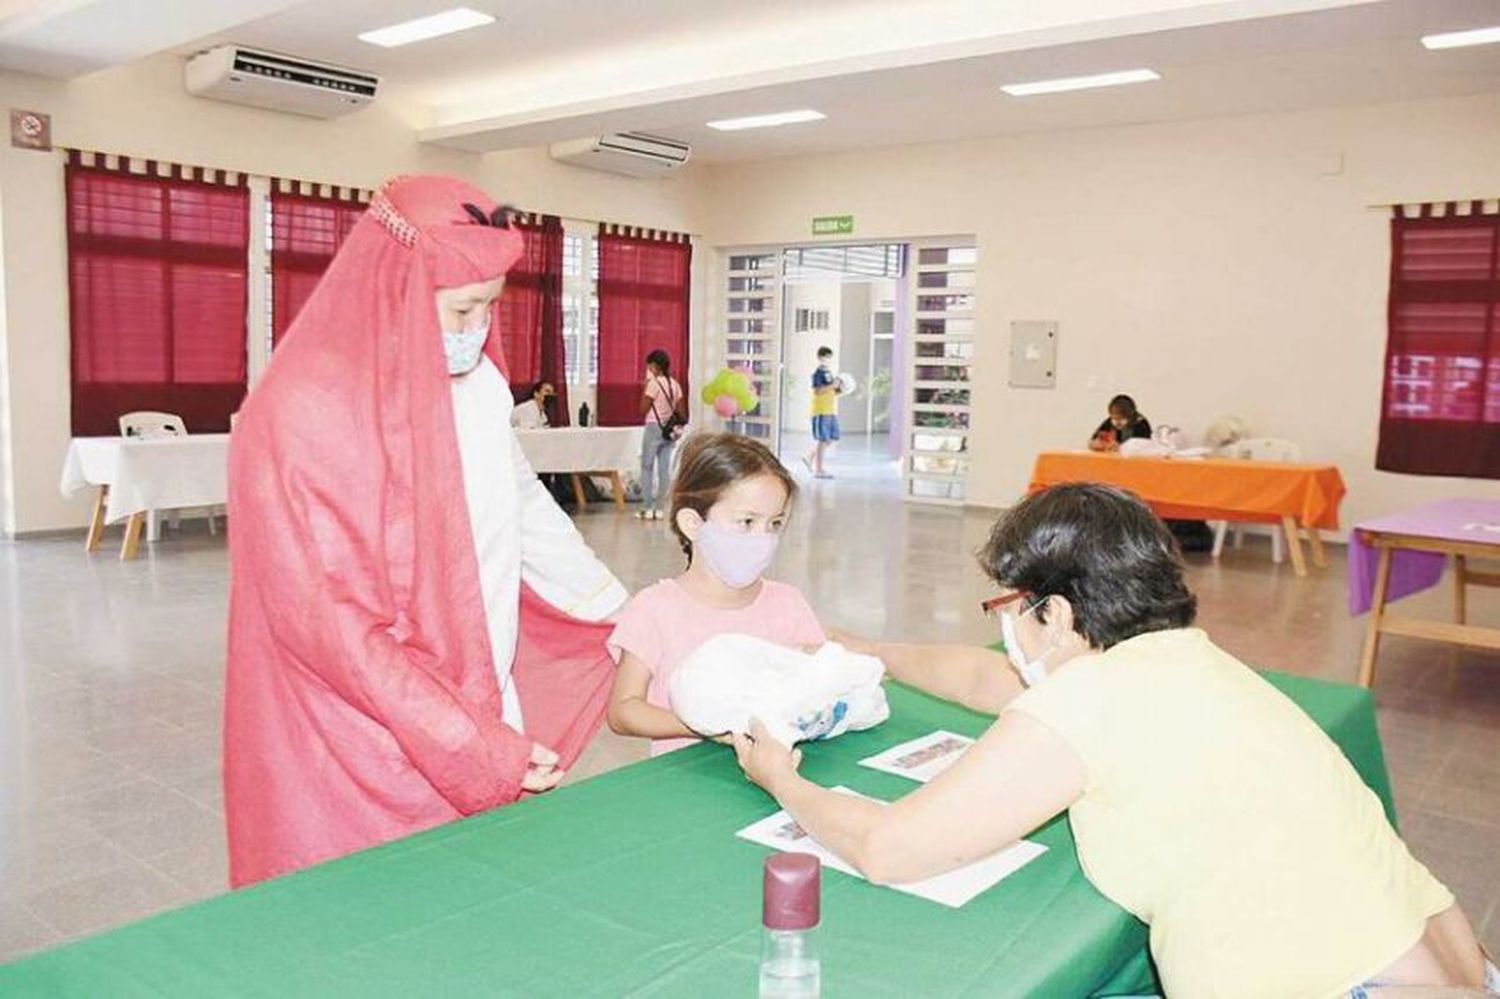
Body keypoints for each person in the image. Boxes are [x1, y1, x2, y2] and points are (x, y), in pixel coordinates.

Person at [733, 482, 1494, 997]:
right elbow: (981, 677)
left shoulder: (1087, 701)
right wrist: (866, 648)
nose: (1003, 628)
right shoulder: (1178, 657)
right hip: (1444, 961)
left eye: (1009, 605)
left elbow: (891, 850)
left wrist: (783, 779)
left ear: (1058, 615)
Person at [224, 175, 628, 887]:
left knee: (469, 899)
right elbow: (328, 622)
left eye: (489, 308)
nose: (477, 330)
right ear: (397, 291)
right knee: (370, 911)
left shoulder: (479, 388)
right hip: (357, 732)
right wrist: (466, 742)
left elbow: (522, 504)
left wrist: (617, 609)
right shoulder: (305, 410)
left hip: (472, 692)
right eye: (462, 308)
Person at [607, 433, 825, 755]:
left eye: (774, 524)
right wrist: (708, 726)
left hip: (774, 778)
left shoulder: (788, 603)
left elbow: (820, 682)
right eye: (747, 522)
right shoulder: (654, 609)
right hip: (686, 786)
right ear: (693, 524)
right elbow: (623, 711)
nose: (763, 538)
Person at [637, 349, 686, 521]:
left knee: (647, 467)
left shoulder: (653, 384)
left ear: (655, 366)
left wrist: (645, 390)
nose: (649, 368)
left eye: (649, 365)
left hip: (653, 427)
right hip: (669, 431)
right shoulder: (675, 384)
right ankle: (660, 509)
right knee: (664, 469)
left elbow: (642, 409)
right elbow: (682, 412)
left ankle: (648, 507)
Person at [803, 346, 842, 478]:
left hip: (830, 409)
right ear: (820, 357)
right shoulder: (818, 373)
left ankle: (810, 457)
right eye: (826, 357)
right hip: (820, 410)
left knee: (831, 437)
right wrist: (832, 385)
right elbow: (818, 390)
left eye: (830, 357)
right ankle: (819, 469)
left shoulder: (829, 372)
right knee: (823, 439)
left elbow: (830, 389)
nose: (828, 360)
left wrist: (839, 388)